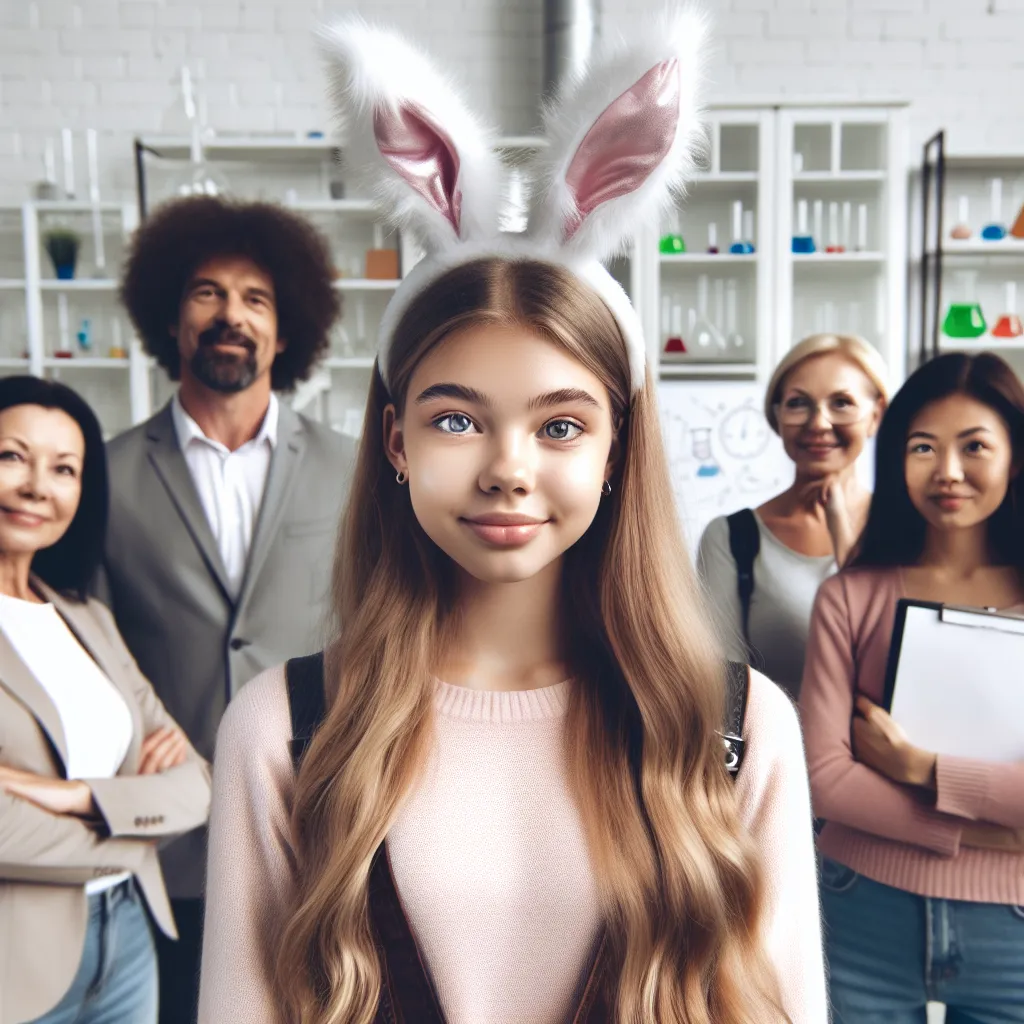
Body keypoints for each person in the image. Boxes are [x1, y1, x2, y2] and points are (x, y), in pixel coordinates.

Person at [198, 16, 826, 1024]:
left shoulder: (735, 729)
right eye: (456, 418)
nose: (506, 469)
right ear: (396, 443)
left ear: (618, 447)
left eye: (561, 423)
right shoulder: (284, 729)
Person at [102, 195, 356, 1024]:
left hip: (321, 818)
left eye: (255, 299)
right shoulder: (100, 477)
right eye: (207, 293)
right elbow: (89, 642)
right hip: (166, 834)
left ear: (286, 335)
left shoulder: (354, 470)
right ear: (170, 321)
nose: (230, 315)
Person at [800, 351, 1024, 1021]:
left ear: (1016, 457)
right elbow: (825, 777)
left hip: (1011, 926)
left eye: (974, 446)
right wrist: (983, 834)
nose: (947, 471)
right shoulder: (850, 597)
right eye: (922, 446)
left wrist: (916, 766)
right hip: (856, 903)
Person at [0, 377, 210, 1024]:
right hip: (18, 963)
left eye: (65, 468)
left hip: (128, 942)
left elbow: (198, 783)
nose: (39, 486)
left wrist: (80, 797)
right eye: (11, 456)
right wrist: (138, 830)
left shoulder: (85, 618)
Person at [698, 333, 888, 700]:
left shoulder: (910, 529)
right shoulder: (731, 538)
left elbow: (897, 665)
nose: (818, 422)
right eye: (799, 403)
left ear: (875, 415)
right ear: (777, 415)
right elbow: (722, 683)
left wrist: (845, 545)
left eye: (842, 403)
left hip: (880, 756)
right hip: (773, 756)